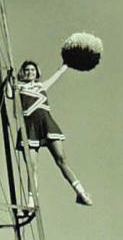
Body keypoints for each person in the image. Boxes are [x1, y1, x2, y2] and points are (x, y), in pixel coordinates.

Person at [15, 60, 92, 207]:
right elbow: (9, 94)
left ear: (37, 72)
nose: (30, 72)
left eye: (32, 70)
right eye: (27, 70)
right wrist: (9, 80)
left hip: (46, 124)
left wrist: (66, 64)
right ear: (23, 73)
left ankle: (81, 192)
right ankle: (31, 201)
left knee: (61, 159)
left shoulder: (42, 85)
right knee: (32, 167)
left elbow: (58, 74)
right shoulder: (19, 87)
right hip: (29, 127)